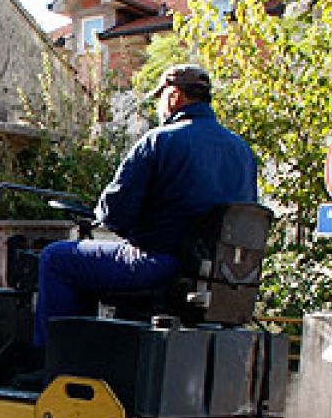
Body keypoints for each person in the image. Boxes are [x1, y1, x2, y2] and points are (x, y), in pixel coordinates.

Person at [33, 64, 258, 346]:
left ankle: (52, 360)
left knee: (56, 258)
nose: (159, 108)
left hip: (158, 264)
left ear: (174, 96)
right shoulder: (242, 151)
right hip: (220, 277)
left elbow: (114, 212)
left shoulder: (160, 141)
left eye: (160, 98)